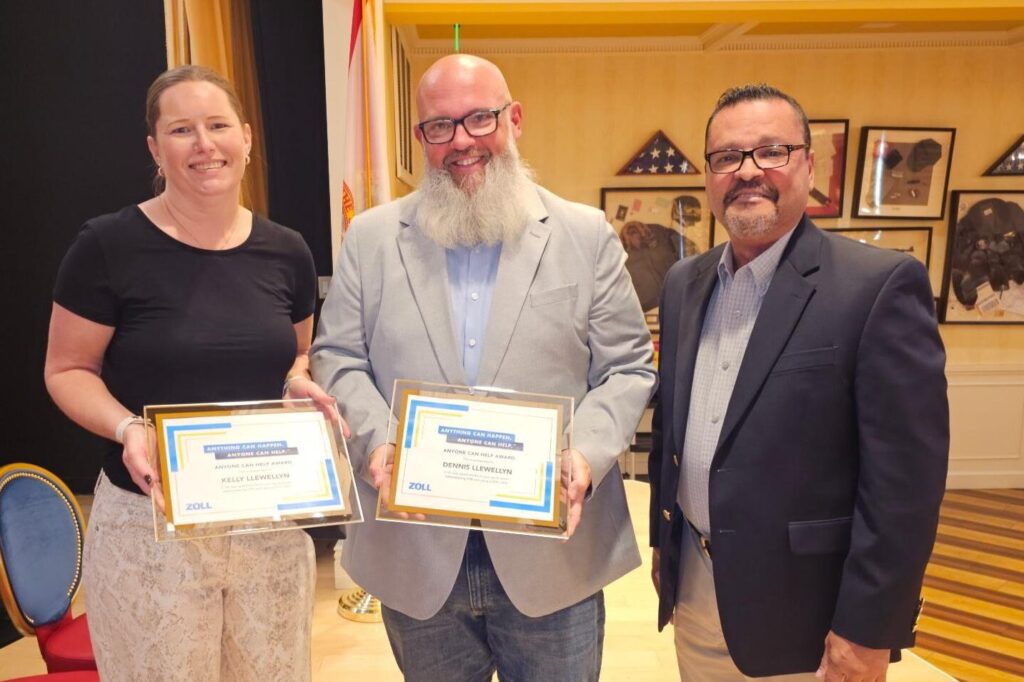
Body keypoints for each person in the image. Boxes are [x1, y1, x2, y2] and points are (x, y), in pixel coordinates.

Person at [311, 53, 655, 681]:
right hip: (416, 554)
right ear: (422, 138)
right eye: (439, 126)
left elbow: (628, 367)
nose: (461, 141)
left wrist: (585, 454)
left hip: (553, 557)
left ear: (514, 119)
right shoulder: (371, 238)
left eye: (479, 119)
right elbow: (337, 356)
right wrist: (378, 444)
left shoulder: (584, 234)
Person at [44, 65, 335, 681]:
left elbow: (294, 356)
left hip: (265, 522)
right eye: (181, 130)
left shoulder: (288, 250)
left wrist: (297, 383)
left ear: (246, 137)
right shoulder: (106, 246)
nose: (204, 144)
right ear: (155, 148)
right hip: (151, 528)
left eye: (218, 125)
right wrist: (127, 427)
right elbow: (67, 368)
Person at [648, 84, 949, 681]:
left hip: (808, 618)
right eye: (727, 157)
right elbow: (671, 429)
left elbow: (905, 486)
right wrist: (666, 544)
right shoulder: (684, 282)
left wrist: (869, 628)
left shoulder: (877, 286)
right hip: (697, 591)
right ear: (709, 175)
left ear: (809, 164)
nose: (747, 172)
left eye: (771, 151)